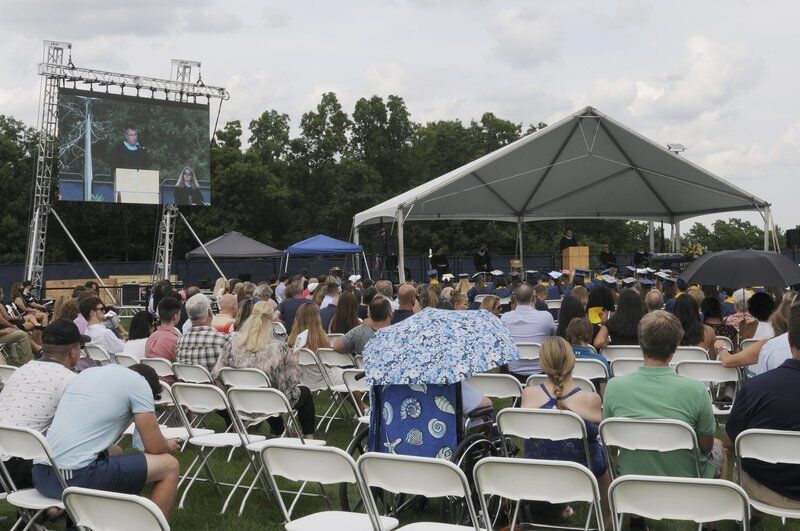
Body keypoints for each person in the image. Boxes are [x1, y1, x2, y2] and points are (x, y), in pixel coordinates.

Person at [32, 363, 181, 519]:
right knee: (169, 465)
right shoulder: (138, 383)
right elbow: (154, 447)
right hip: (73, 478)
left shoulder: (87, 374)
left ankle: (85, 521)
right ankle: (152, 526)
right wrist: (168, 446)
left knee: (116, 451)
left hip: (41, 474)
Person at [603, 310, 724, 480]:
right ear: (676, 346)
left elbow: (612, 441)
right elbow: (706, 445)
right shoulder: (696, 390)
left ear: (641, 343)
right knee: (719, 446)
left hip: (631, 481)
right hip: (686, 479)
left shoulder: (614, 387)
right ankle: (714, 503)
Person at [521, 336, 611, 525]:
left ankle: (558, 507)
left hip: (536, 469)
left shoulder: (528, 394)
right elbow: (599, 432)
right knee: (602, 457)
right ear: (574, 362)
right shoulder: (590, 399)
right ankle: (608, 517)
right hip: (583, 472)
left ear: (542, 365)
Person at [724, 300, 800, 509]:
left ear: (789, 339)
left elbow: (730, 442)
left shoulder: (755, 389)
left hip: (764, 486)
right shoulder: (755, 389)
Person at [0, 320, 84, 491]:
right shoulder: (70, 381)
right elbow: (76, 431)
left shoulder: (21, 370)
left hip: (4, 464)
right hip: (18, 468)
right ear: (73, 351)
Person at [213, 301, 316, 438]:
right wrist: (295, 357)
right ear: (270, 323)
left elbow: (216, 374)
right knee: (303, 393)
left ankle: (281, 433)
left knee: (268, 390)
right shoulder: (277, 348)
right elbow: (292, 380)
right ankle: (309, 439)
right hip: (269, 401)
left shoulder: (231, 345)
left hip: (240, 399)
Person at [501, 283, 557, 378]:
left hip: (513, 372)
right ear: (534, 298)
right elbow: (554, 337)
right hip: (541, 371)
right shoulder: (546, 317)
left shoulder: (504, 318)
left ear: (514, 298)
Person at [288, 302, 342, 392]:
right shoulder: (322, 337)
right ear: (317, 318)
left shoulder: (292, 339)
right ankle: (361, 405)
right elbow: (328, 363)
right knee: (349, 375)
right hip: (323, 379)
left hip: (302, 380)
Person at [175, 294, 231, 373]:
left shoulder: (180, 341)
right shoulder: (224, 340)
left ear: (189, 315)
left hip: (187, 384)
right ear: (209, 312)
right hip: (215, 384)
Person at [145, 297, 183, 380]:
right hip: (171, 385)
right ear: (175, 316)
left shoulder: (151, 338)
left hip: (151, 383)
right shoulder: (176, 340)